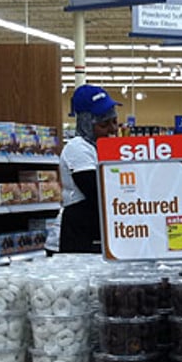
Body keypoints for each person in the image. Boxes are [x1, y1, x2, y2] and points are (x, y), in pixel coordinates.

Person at [54, 84, 119, 253]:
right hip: (79, 232)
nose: (112, 129)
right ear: (85, 123)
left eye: (115, 122)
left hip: (98, 229)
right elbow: (95, 191)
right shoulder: (78, 148)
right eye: (104, 124)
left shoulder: (103, 148)